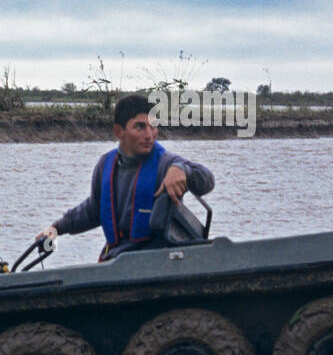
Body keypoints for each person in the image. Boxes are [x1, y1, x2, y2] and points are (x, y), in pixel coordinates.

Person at [37, 93, 215, 261]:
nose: (149, 135)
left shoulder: (167, 164)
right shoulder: (105, 165)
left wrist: (184, 170)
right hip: (117, 260)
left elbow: (207, 180)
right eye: (140, 127)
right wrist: (56, 228)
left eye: (153, 126)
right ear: (119, 132)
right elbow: (94, 209)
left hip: (159, 260)